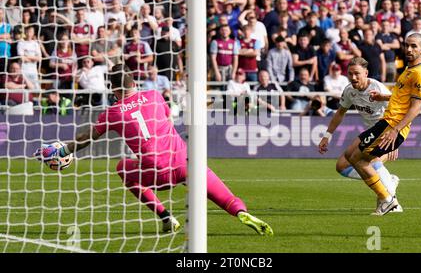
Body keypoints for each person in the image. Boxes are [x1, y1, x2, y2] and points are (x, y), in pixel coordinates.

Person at [34, 65, 273, 236]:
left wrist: (64, 149)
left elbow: (88, 138)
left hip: (155, 172)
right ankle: (241, 212)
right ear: (134, 84)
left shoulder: (113, 112)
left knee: (123, 168)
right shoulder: (155, 95)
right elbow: (169, 117)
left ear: (114, 90)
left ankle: (166, 216)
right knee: (222, 195)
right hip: (186, 162)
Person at [344, 33, 421, 216]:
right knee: (351, 155)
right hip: (386, 122)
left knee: (359, 159)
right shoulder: (408, 70)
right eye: (407, 45)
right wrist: (383, 97)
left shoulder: (420, 74)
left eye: (414, 46)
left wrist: (396, 130)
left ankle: (387, 198)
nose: (409, 49)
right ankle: (387, 193)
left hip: (392, 126)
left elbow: (415, 108)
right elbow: (401, 97)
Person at [318, 57, 401, 212]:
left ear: (366, 73)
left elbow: (398, 107)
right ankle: (388, 183)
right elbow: (340, 113)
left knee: (367, 161)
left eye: (357, 73)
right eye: (350, 74)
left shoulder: (377, 88)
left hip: (386, 132)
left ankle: (390, 200)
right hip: (370, 132)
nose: (353, 77)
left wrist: (394, 136)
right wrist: (327, 136)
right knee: (342, 166)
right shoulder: (350, 90)